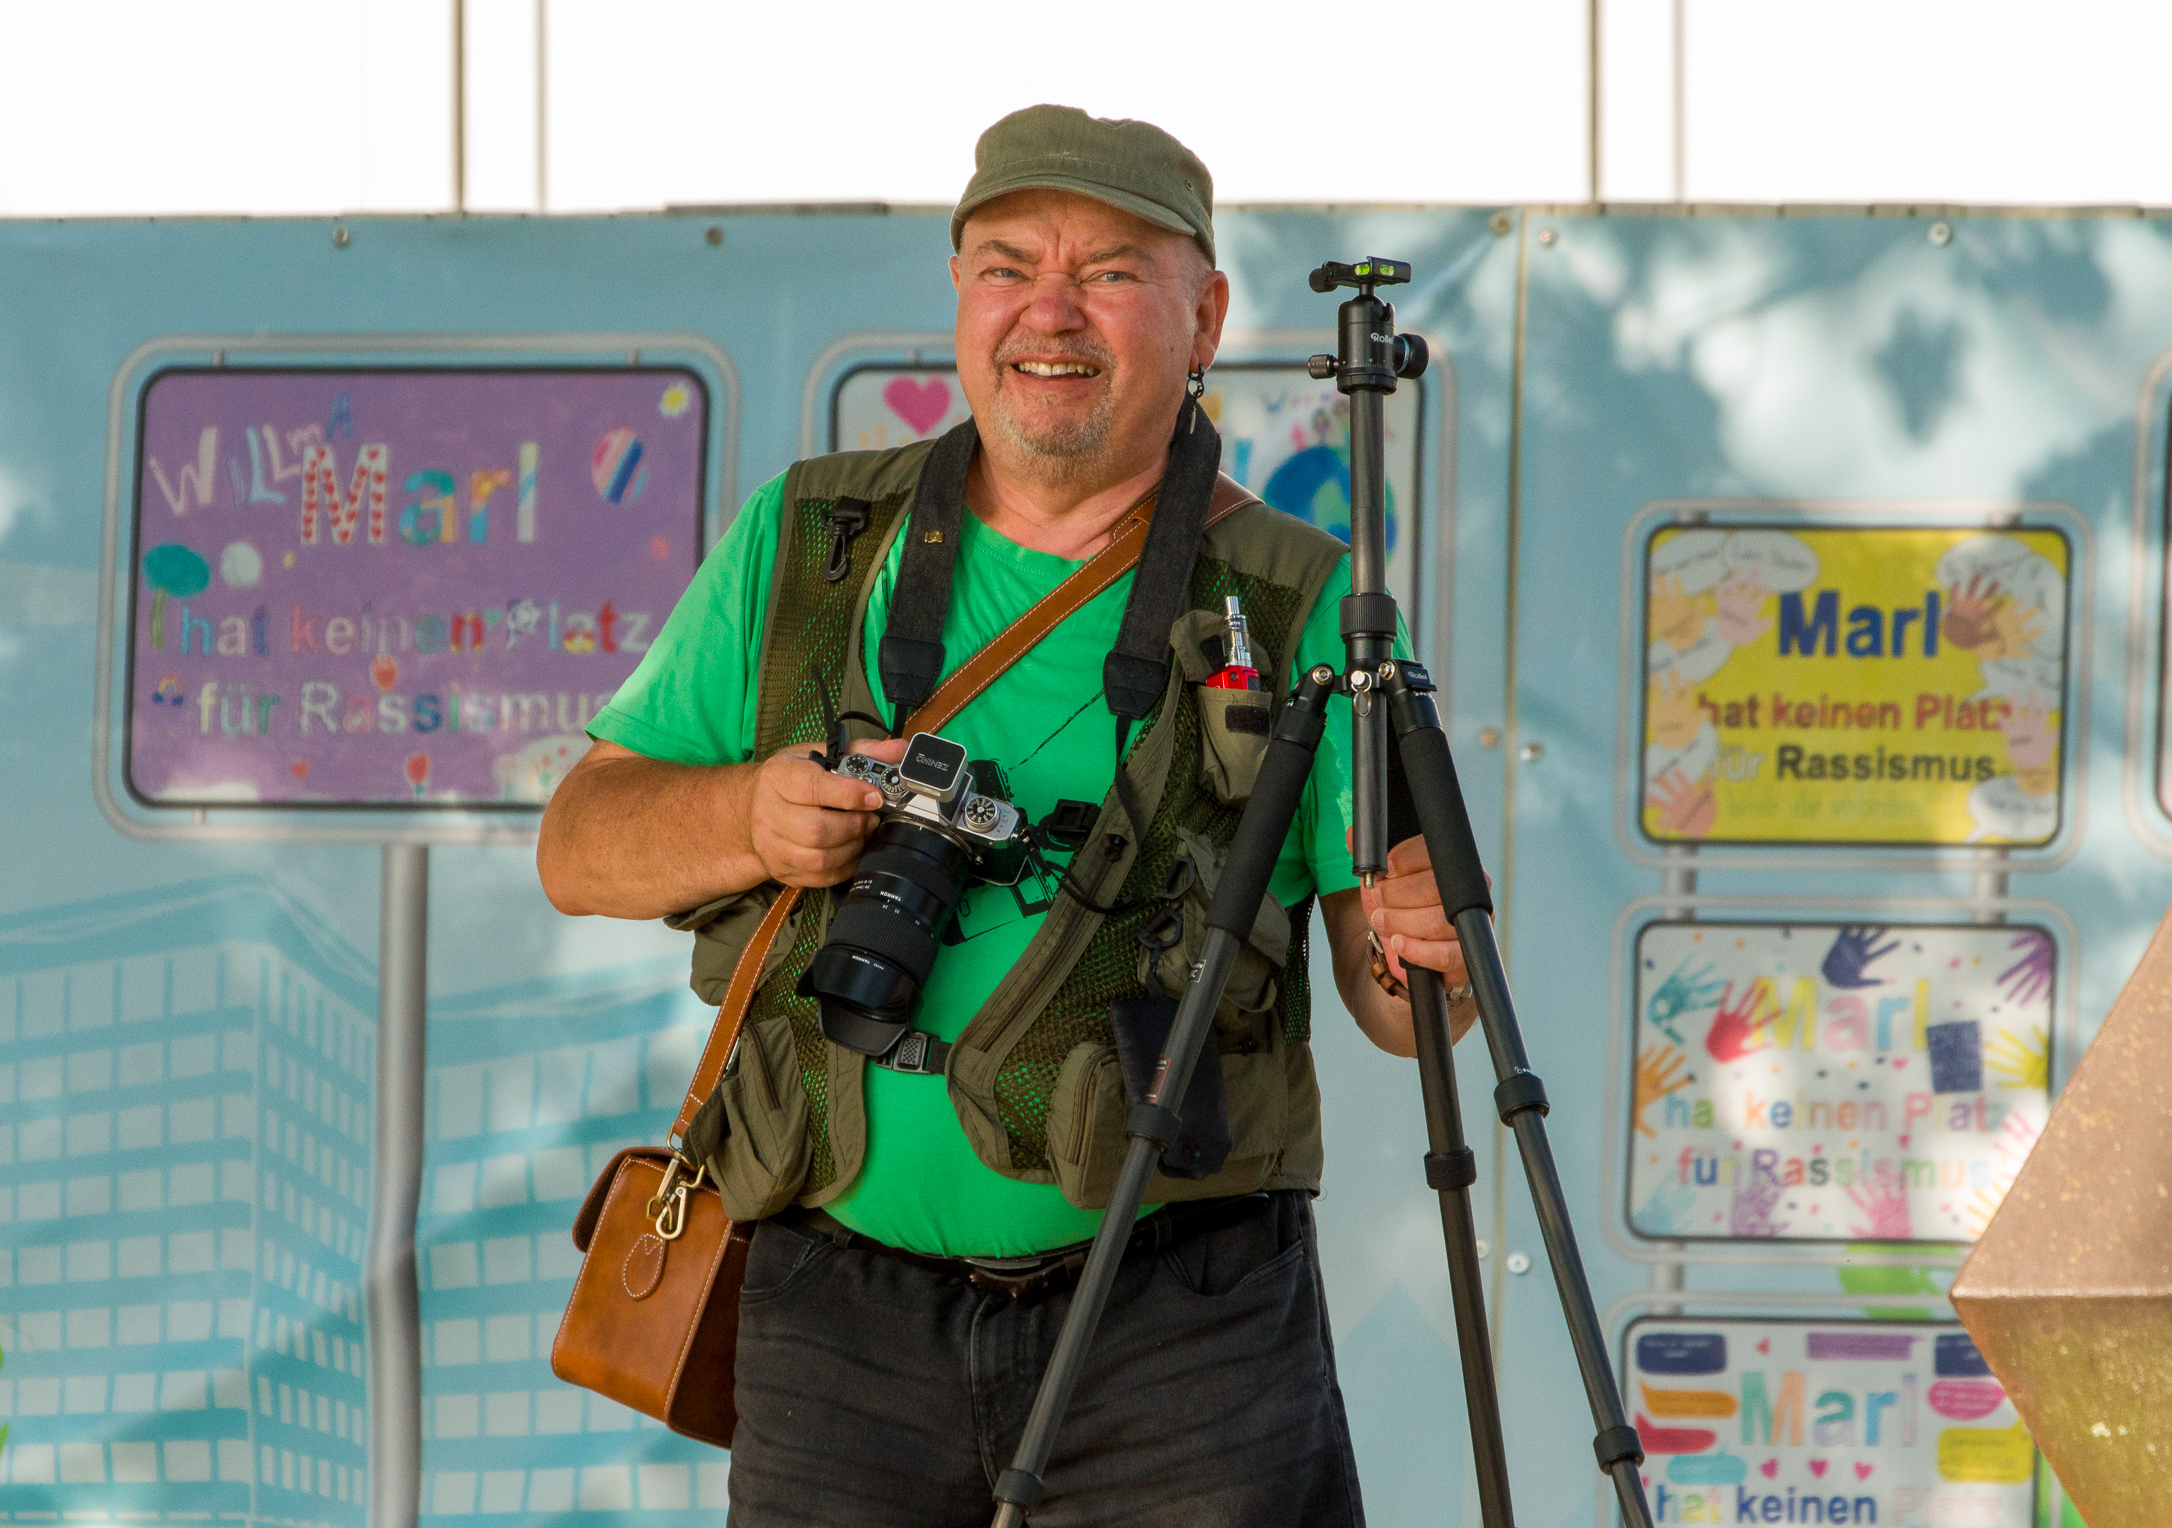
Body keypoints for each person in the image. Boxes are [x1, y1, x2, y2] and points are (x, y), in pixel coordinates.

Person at [538, 104, 1476, 1528]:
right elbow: (576, 848)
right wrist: (751, 816)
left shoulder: (1298, 600)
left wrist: (1427, 958)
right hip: (833, 1316)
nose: (1050, 310)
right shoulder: (809, 541)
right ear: (960, 295)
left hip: (1181, 1333)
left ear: (1204, 316)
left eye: (1110, 271)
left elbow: (1396, 1003)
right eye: (1007, 266)